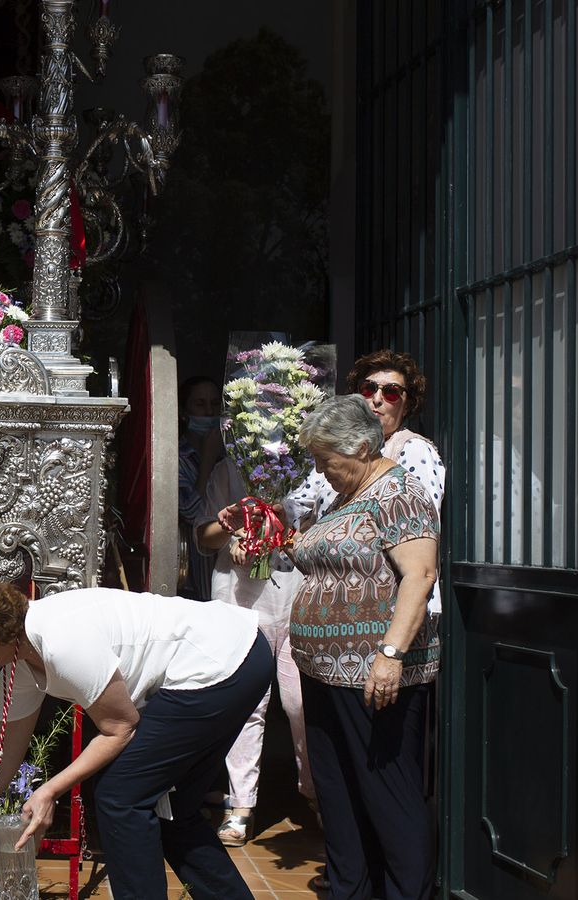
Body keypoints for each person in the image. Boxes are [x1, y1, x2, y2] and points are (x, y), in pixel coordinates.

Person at [0, 574, 273, 900]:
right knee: (171, 810)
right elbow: (0, 759)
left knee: (121, 797)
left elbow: (120, 728)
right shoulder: (17, 655)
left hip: (223, 660)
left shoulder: (59, 641)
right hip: (232, 654)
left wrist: (50, 790)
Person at [219, 395, 439, 899]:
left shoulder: (398, 494)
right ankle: (350, 889)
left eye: (326, 461)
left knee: (387, 794)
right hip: (323, 670)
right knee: (339, 792)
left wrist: (390, 654)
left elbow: (420, 574)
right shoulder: (345, 498)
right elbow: (323, 559)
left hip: (372, 675)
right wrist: (267, 531)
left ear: (361, 446)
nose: (321, 471)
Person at [195, 453, 313, 846]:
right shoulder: (230, 466)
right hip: (240, 598)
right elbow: (202, 535)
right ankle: (240, 804)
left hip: (297, 593)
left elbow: (322, 524)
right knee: (248, 703)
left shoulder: (312, 467)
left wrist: (285, 534)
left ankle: (316, 793)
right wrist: (233, 536)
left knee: (301, 701)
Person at [288, 349, 445, 615]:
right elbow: (297, 509)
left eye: (392, 392)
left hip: (386, 608)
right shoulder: (336, 450)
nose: (378, 399)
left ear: (407, 404)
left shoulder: (413, 449)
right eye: (368, 389)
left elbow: (418, 536)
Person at [178, 375, 221, 598]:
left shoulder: (233, 455)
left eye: (215, 404)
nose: (209, 413)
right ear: (184, 412)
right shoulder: (178, 458)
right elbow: (191, 513)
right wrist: (207, 459)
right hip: (194, 576)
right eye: (200, 404)